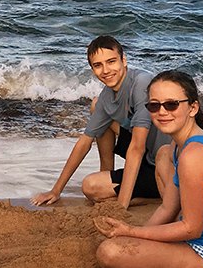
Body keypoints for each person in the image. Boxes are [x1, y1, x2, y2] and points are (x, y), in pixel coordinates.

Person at [94, 70, 203, 268]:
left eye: (171, 104)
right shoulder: (177, 145)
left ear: (192, 108)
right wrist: (135, 236)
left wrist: (132, 232)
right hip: (202, 238)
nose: (162, 111)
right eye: (154, 105)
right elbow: (169, 206)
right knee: (163, 154)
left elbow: (192, 229)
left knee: (109, 253)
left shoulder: (193, 156)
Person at [32, 36, 171, 209]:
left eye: (111, 61)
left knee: (90, 186)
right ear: (92, 70)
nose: (106, 70)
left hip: (167, 165)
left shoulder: (141, 83)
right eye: (98, 65)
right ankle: (107, 174)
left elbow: (137, 148)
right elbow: (84, 142)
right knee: (97, 105)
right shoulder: (107, 96)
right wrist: (56, 190)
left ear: (124, 60)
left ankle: (157, 197)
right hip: (147, 156)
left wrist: (120, 206)